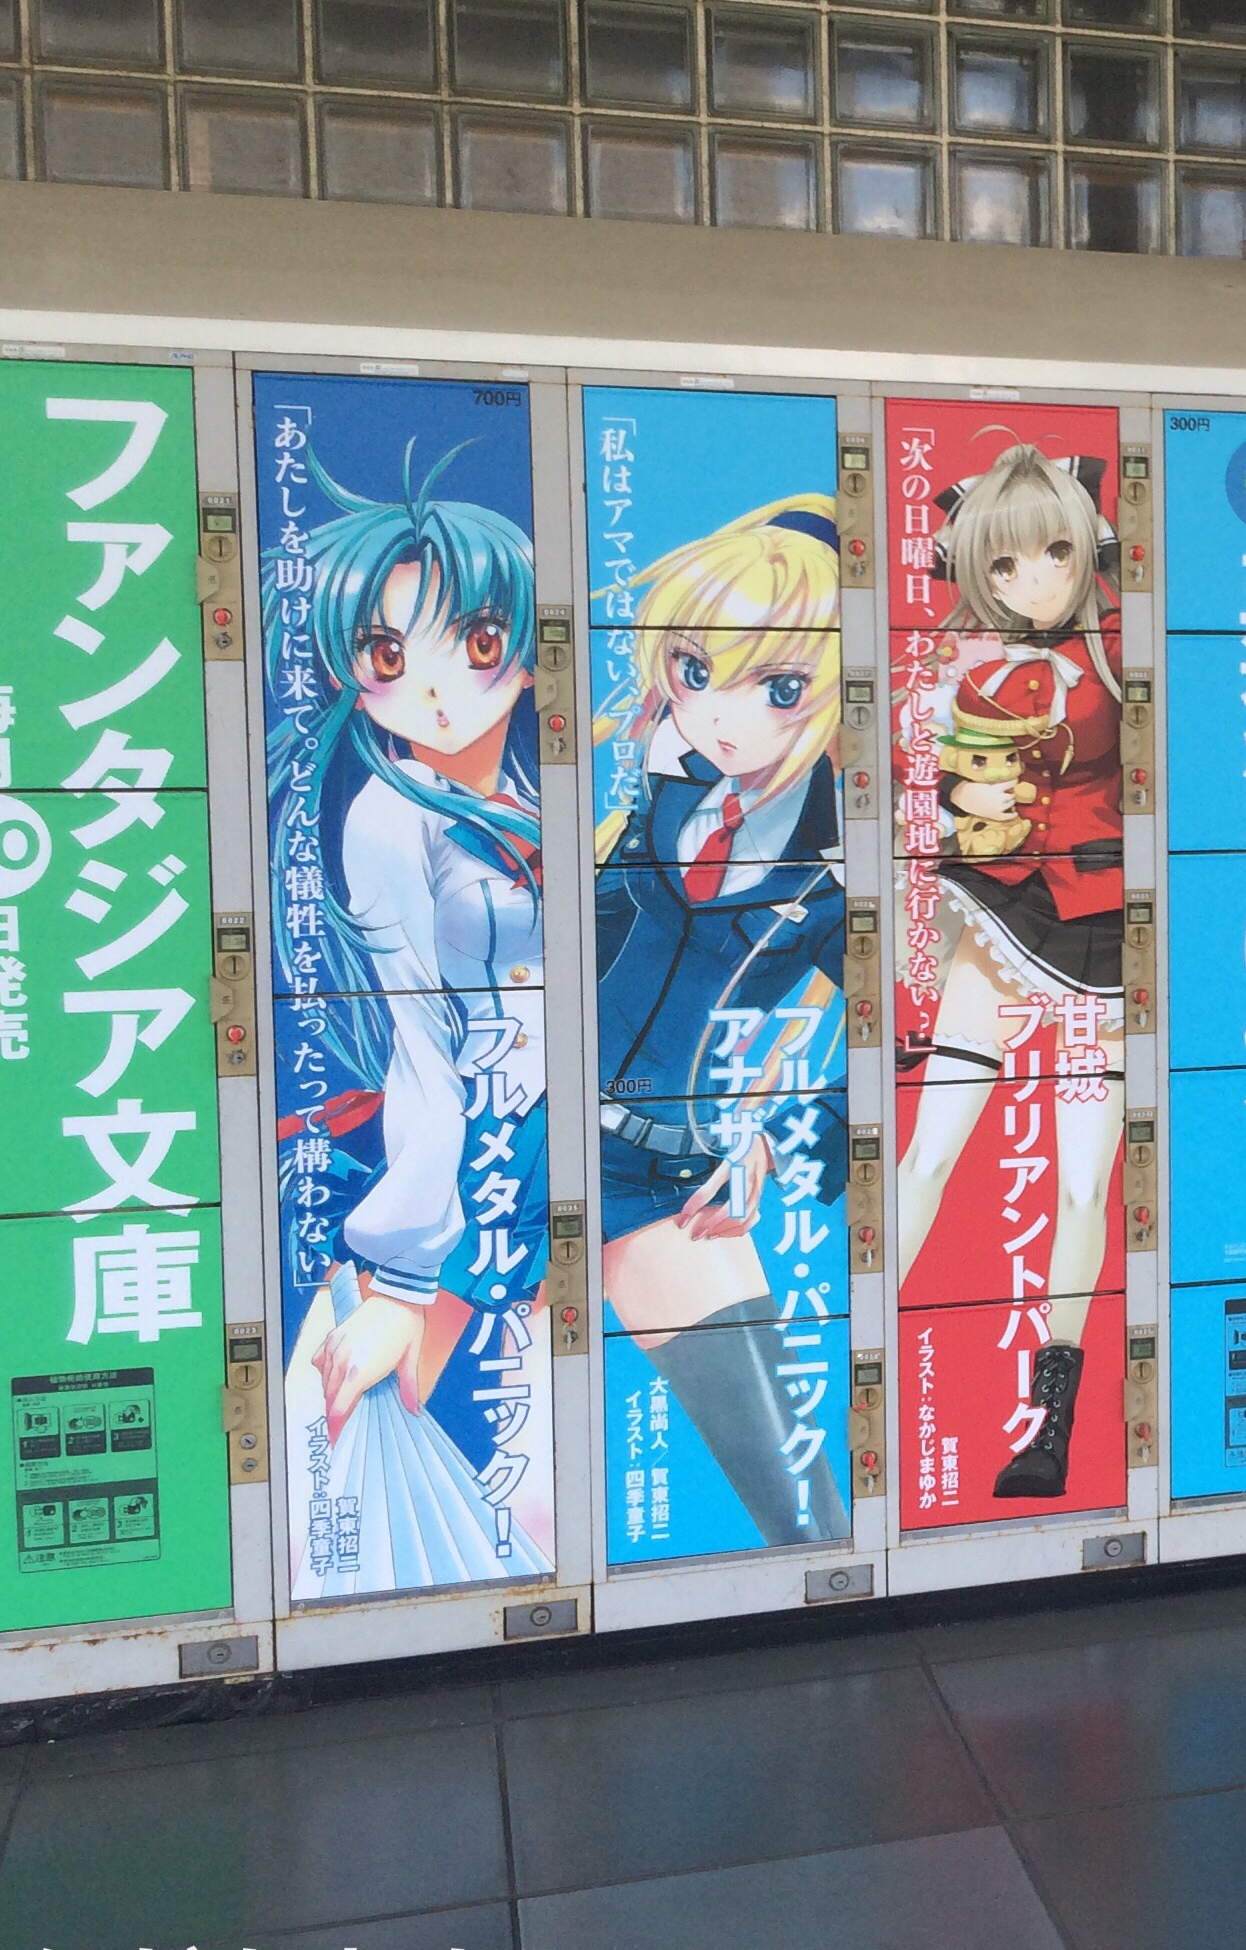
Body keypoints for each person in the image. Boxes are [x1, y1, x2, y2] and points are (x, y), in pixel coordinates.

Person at [267, 449, 550, 1589]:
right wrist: (399, 1281)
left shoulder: (524, 795)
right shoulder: (389, 822)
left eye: (475, 643)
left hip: (528, 1149)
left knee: (513, 1475)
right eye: (390, 656)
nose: (436, 690)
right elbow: (423, 1047)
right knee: (365, 1477)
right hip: (464, 1166)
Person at [592, 498, 853, 1546]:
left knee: (804, 1512)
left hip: (665, 1177)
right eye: (697, 670)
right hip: (528, 1140)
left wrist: (784, 1142)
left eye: (779, 688)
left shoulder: (835, 867)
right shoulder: (661, 790)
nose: (718, 716)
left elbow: (910, 1035)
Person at [894, 446, 1124, 1500]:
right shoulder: (958, 666)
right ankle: (859, 1369)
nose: (1036, 581)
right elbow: (927, 797)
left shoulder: (1119, 655)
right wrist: (960, 791)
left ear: (1089, 551)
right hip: (995, 913)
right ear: (974, 570)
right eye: (1006, 565)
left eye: (1056, 554)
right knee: (927, 1153)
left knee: (1084, 1182)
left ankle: (1052, 1429)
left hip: (1105, 926)